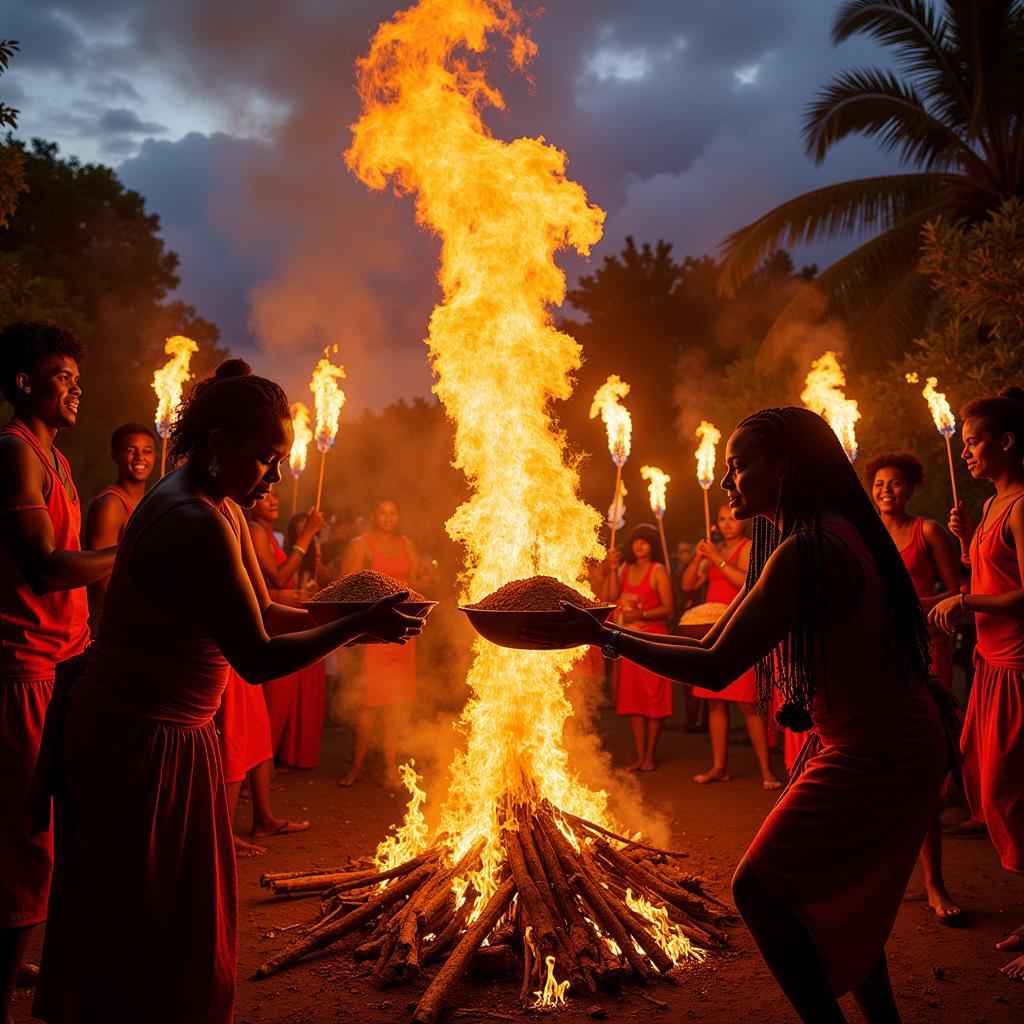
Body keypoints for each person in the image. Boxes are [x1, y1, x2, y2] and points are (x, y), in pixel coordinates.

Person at [32, 360, 424, 1023]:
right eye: (267, 457)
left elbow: (266, 610)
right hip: (135, 739)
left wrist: (356, 625)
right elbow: (257, 656)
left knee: (178, 921)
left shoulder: (223, 509)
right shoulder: (191, 518)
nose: (275, 475)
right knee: (141, 928)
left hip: (176, 736)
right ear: (218, 446)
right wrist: (357, 622)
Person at [527, 407, 949, 1023]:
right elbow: (703, 644)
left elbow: (716, 667)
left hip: (881, 746)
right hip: (873, 737)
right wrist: (606, 629)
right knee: (843, 902)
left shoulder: (810, 548)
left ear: (784, 468)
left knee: (759, 888)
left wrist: (605, 640)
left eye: (738, 466)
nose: (728, 483)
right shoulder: (805, 536)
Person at [0, 321, 115, 1018]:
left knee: (53, 833)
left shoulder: (59, 461)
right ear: (23, 382)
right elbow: (44, 569)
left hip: (63, 664)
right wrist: (135, 551)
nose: (76, 387)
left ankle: (15, 959)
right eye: (62, 376)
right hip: (22, 671)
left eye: (77, 376)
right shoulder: (15, 454)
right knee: (23, 841)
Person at [930, 386, 1024, 979]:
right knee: (989, 792)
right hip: (989, 666)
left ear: (1007, 442)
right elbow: (995, 571)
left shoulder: (1022, 505)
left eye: (974, 441)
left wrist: (965, 598)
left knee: (1012, 796)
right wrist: (968, 545)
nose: (965, 452)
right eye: (962, 443)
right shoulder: (990, 507)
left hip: (1019, 669)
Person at [867, 451, 963, 924]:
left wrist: (918, 603)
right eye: (880, 483)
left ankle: (934, 882)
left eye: (896, 483)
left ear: (910, 488)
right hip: (876, 658)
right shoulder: (862, 532)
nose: (887, 489)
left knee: (925, 769)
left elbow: (961, 588)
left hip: (926, 653)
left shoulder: (927, 531)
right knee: (878, 769)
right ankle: (880, 878)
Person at [682, 504, 780, 789]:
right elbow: (689, 584)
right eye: (721, 519)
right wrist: (699, 558)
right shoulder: (713, 548)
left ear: (743, 522)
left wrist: (717, 558)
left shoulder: (750, 547)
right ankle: (719, 766)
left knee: (747, 702)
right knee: (714, 701)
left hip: (741, 626)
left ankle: (766, 770)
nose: (727, 524)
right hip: (712, 628)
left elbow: (749, 582)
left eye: (732, 518)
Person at [338, 497, 434, 787]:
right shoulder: (362, 544)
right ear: (374, 516)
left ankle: (391, 768)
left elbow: (419, 580)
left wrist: (428, 577)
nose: (388, 517)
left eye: (393, 512)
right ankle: (357, 766)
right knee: (370, 702)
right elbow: (346, 583)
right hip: (376, 631)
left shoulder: (408, 544)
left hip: (403, 631)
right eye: (382, 512)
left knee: (395, 703)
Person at [249, 491, 328, 770]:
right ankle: (253, 776)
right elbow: (278, 577)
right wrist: (306, 535)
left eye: (275, 496)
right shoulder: (255, 530)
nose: (273, 500)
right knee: (270, 705)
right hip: (268, 626)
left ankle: (263, 774)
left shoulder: (267, 532)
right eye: (266, 495)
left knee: (278, 705)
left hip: (278, 622)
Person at [600, 523, 674, 772]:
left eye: (645, 541)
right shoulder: (625, 569)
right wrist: (611, 570)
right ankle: (640, 755)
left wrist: (641, 613)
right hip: (629, 642)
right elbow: (609, 598)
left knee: (653, 698)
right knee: (633, 700)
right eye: (636, 540)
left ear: (653, 545)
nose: (639, 544)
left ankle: (650, 755)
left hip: (653, 642)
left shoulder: (658, 571)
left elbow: (668, 607)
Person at [84, 421, 156, 620]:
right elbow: (99, 579)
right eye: (131, 451)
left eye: (147, 451)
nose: (140, 458)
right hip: (121, 623)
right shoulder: (110, 505)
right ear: (114, 456)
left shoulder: (151, 502)